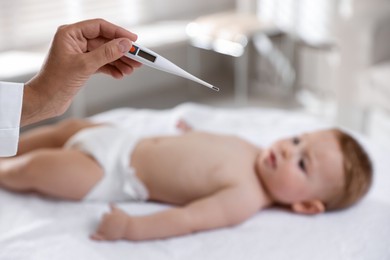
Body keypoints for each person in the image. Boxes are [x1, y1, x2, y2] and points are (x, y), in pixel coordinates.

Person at [0, 117, 373, 241]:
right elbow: (208, 150)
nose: (289, 150)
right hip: (123, 139)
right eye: (297, 140)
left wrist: (130, 227)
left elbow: (188, 220)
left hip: (111, 174)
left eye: (303, 164)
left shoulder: (244, 198)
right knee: (66, 128)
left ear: (306, 205)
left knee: (38, 170)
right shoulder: (254, 151)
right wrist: (193, 133)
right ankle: (4, 143)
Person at [0, 19, 141, 157]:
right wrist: (38, 96)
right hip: (117, 144)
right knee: (70, 128)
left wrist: (38, 97)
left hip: (114, 155)